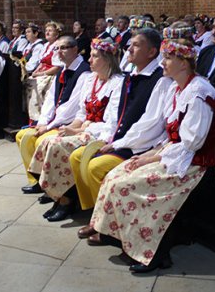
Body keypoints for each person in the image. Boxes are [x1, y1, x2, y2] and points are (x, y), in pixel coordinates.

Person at [88, 23, 215, 273]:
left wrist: (151, 159)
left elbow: (192, 144)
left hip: (192, 164)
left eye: (168, 58)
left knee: (127, 185)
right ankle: (124, 239)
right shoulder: (175, 88)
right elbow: (167, 134)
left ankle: (154, 253)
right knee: (116, 174)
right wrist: (147, 154)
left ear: (183, 63)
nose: (163, 62)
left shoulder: (199, 93)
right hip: (174, 154)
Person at [70, 28, 170, 236]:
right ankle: (95, 213)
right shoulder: (130, 76)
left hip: (141, 145)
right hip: (123, 138)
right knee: (78, 156)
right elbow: (117, 114)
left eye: (136, 45)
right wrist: (110, 137)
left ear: (152, 52)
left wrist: (118, 143)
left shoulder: (159, 80)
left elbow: (150, 124)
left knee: (96, 167)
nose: (129, 48)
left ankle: (110, 226)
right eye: (130, 43)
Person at [28, 38, 124, 222]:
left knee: (57, 145)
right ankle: (59, 195)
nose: (90, 60)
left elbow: (112, 122)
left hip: (100, 134)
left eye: (95, 57)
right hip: (84, 129)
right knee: (50, 139)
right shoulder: (91, 79)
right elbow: (82, 112)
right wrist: (71, 127)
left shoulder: (118, 83)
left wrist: (82, 130)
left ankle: (66, 200)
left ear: (107, 59)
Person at [15, 36, 91, 194]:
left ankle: (53, 188)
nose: (59, 52)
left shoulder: (83, 73)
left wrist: (48, 127)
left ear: (75, 49)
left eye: (64, 48)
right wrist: (42, 122)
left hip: (69, 123)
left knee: (39, 141)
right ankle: (37, 180)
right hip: (53, 121)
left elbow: (71, 107)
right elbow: (50, 100)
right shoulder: (63, 70)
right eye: (57, 49)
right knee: (21, 136)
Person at [24, 21, 63, 123]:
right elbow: (41, 63)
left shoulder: (57, 46)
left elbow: (57, 67)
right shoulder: (45, 45)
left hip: (51, 74)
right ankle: (32, 118)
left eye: (50, 31)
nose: (47, 32)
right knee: (28, 83)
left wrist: (41, 74)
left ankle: (40, 119)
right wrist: (35, 72)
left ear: (57, 34)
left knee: (37, 87)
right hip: (42, 72)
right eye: (46, 30)